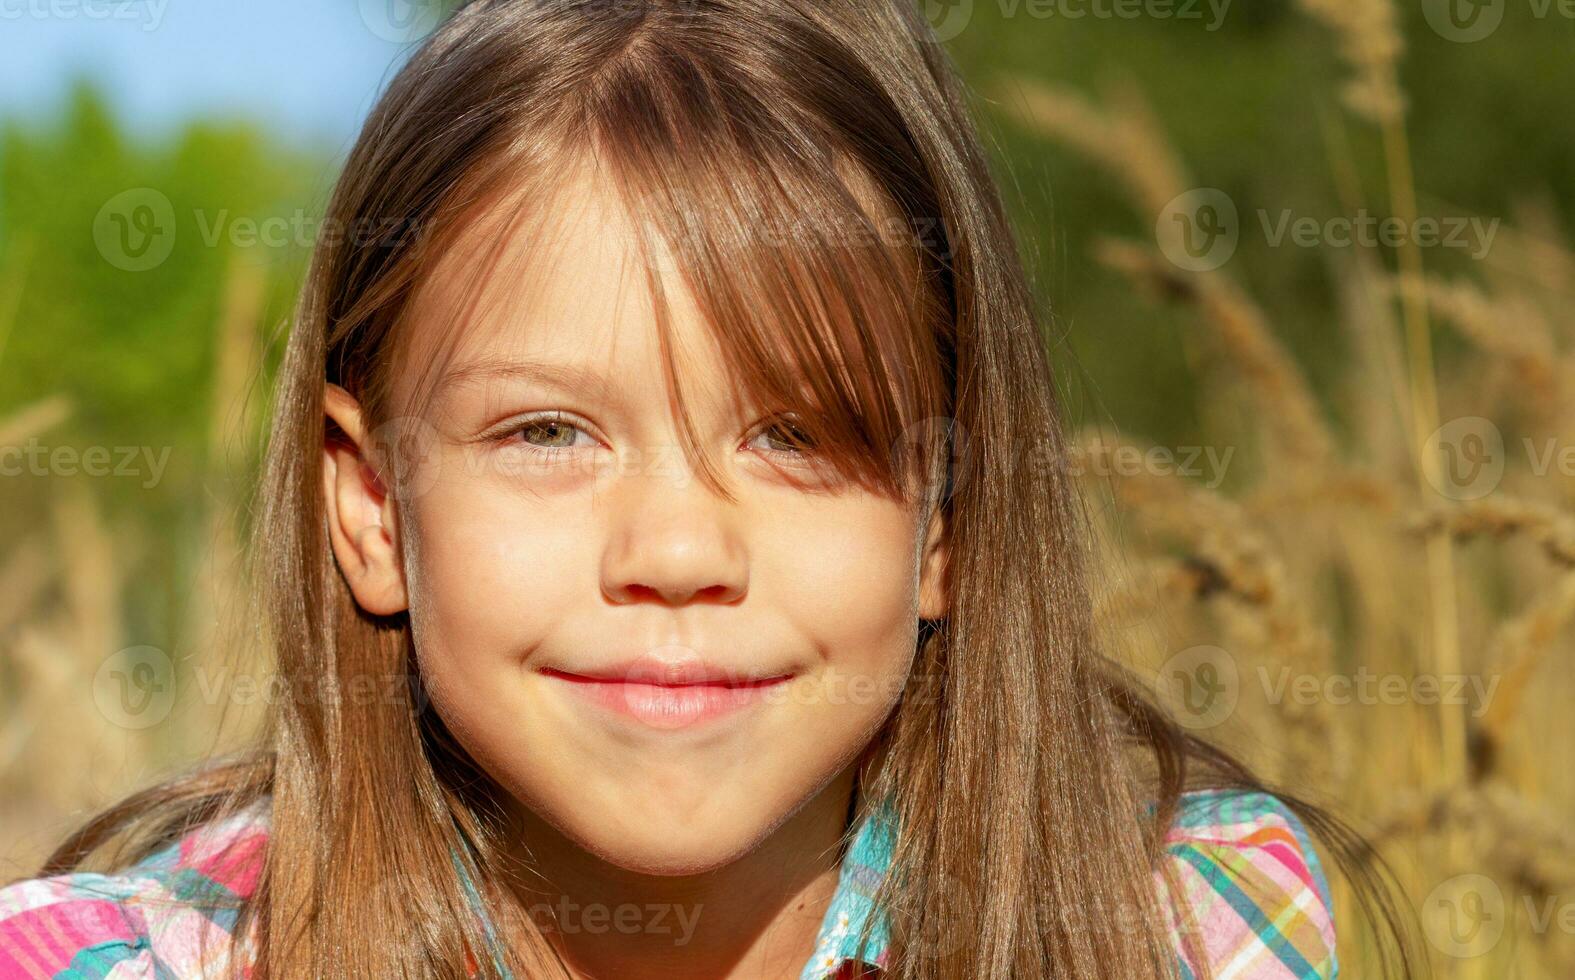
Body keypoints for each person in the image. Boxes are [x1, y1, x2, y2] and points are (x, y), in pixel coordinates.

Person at [0, 1, 1415, 977]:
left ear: (948, 517)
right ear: (371, 508)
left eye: (796, 434)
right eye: (549, 434)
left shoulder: (1176, 928)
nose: (677, 549)